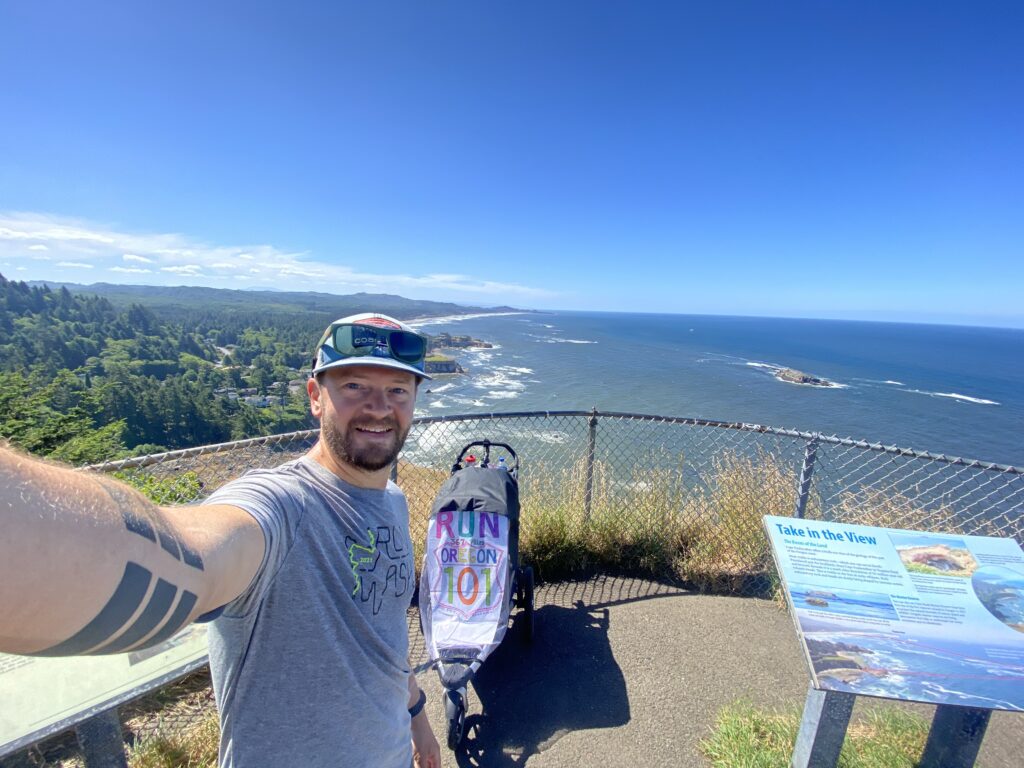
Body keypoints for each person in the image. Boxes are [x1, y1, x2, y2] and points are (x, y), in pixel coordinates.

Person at [0, 312, 442, 768]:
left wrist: (418, 721)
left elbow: (384, 639)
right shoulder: (283, 505)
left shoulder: (393, 501)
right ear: (315, 396)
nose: (378, 407)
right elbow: (193, 553)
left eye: (397, 391)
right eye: (355, 386)